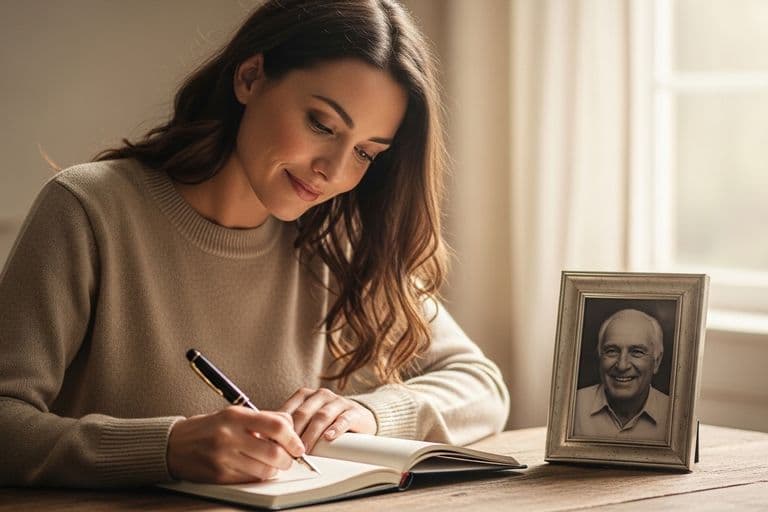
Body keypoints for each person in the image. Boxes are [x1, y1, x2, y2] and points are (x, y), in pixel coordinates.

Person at [0, 0, 509, 488]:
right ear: (250, 78)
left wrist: (370, 412)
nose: (332, 171)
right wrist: (167, 447)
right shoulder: (89, 209)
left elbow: (482, 386)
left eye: (365, 153)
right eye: (321, 125)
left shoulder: (338, 240)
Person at [573, 308, 670, 442]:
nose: (622, 365)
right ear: (599, 357)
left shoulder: (674, 415)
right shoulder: (572, 407)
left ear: (657, 361)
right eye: (612, 351)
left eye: (637, 352)